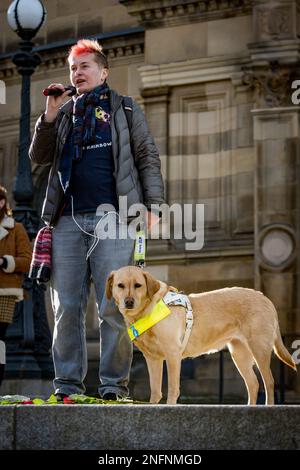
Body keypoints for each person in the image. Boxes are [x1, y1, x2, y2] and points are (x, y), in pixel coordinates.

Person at [29, 39, 165, 400]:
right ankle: (68, 387)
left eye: (84, 66)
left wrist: (152, 205)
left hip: (115, 221)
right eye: (73, 68)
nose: (77, 73)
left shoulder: (126, 110)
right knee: (67, 308)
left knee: (115, 308)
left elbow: (147, 157)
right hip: (67, 222)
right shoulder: (62, 115)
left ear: (103, 71)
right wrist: (50, 115)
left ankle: (113, 388)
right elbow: (38, 159)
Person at [0, 185, 32, 387]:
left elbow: (27, 260)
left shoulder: (16, 228)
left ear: (2, 203)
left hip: (5, 293)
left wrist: (5, 262)